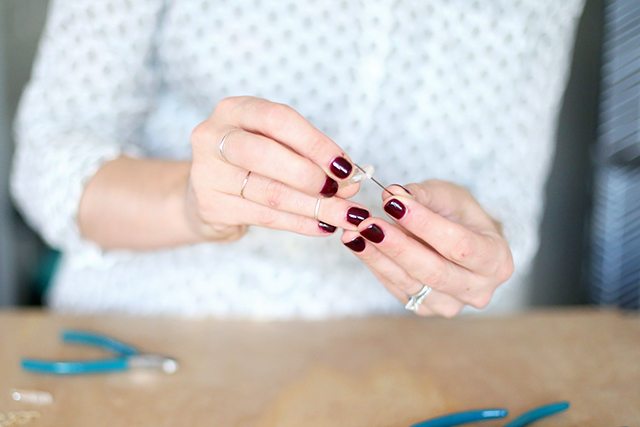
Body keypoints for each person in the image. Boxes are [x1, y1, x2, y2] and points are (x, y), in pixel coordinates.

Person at [11, 0, 585, 318]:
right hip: (152, 334)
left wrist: (469, 255)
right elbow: (48, 162)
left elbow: (511, 215)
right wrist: (188, 205)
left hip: (413, 364)